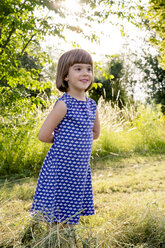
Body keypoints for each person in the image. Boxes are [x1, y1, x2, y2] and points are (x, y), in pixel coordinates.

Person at [30, 48, 100, 227]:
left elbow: (95, 133)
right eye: (78, 69)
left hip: (79, 167)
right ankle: (54, 238)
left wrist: (78, 140)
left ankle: (66, 236)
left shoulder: (92, 105)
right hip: (61, 165)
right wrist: (65, 140)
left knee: (72, 204)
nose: (85, 73)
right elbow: (43, 135)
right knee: (57, 206)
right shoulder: (64, 104)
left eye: (89, 69)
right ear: (65, 76)